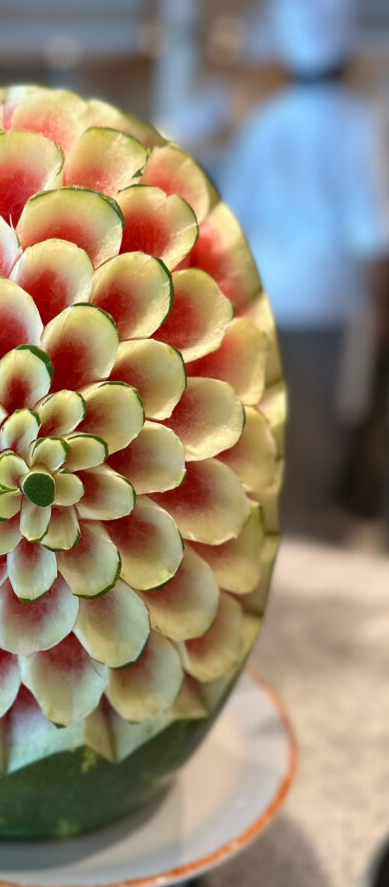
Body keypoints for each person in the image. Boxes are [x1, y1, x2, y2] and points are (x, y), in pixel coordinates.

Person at [220, 0, 389, 535]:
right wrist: (382, 301)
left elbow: (231, 218)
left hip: (264, 291)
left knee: (263, 420)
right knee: (314, 428)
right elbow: (371, 228)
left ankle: (264, 535)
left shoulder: (264, 122)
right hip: (327, 296)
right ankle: (307, 535)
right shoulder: (359, 123)